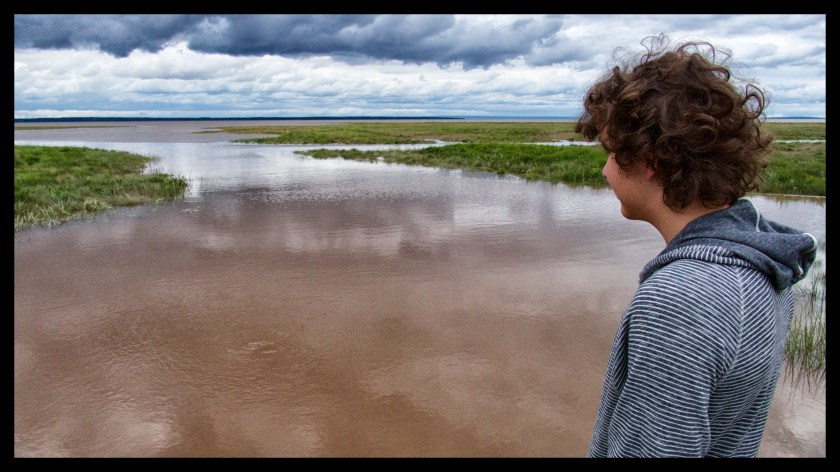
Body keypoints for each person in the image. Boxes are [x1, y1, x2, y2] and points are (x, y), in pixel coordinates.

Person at [575, 34, 818, 457]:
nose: (604, 171)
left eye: (612, 154)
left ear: (652, 160)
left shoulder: (682, 298)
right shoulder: (764, 261)